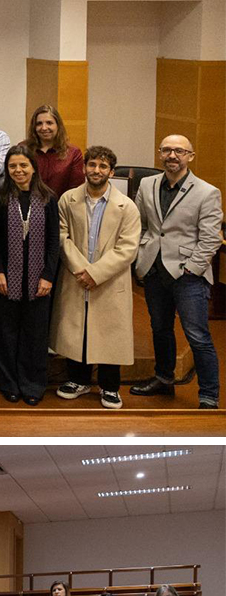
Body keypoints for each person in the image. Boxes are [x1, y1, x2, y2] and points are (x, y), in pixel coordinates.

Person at [132, 133, 223, 409]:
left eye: (179, 151)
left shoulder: (207, 192)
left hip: (188, 276)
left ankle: (208, 394)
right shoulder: (146, 185)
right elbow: (140, 225)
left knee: (197, 336)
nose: (173, 156)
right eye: (167, 150)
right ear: (160, 153)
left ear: (190, 156)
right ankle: (164, 379)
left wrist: (191, 270)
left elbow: (210, 239)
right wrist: (141, 256)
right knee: (160, 329)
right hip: (154, 271)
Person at [51, 146, 141, 410]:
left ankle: (110, 386)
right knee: (77, 327)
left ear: (111, 172)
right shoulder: (68, 199)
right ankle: (78, 380)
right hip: (76, 275)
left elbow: (128, 248)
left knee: (109, 332)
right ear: (84, 168)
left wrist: (96, 272)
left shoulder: (127, 206)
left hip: (109, 279)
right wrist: (82, 269)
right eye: (92, 165)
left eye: (103, 167)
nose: (96, 170)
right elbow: (61, 236)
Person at [0, 144, 59, 405]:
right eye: (12, 166)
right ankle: (8, 383)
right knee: (6, 333)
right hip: (6, 277)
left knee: (35, 335)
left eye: (23, 165)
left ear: (33, 167)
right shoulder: (0, 197)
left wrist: (48, 276)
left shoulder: (49, 198)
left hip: (39, 279)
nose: (18, 170)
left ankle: (33, 384)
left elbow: (54, 242)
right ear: (7, 170)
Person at [25, 104, 84, 198]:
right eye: (39, 123)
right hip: (29, 209)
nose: (44, 128)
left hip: (61, 208)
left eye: (49, 123)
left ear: (58, 125)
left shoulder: (73, 153)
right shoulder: (24, 149)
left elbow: (76, 190)